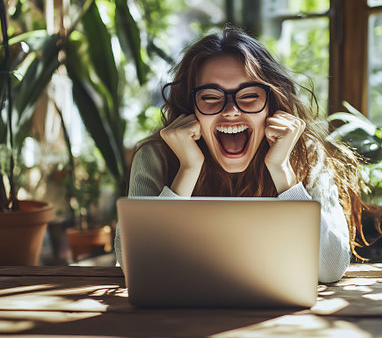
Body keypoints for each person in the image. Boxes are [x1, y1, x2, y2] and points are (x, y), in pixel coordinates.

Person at [115, 26, 366, 283]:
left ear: (271, 105)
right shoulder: (156, 157)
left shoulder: (305, 155)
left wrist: (282, 171)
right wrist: (187, 170)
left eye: (249, 96)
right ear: (192, 110)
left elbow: (331, 267)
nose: (231, 110)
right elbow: (133, 266)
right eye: (211, 97)